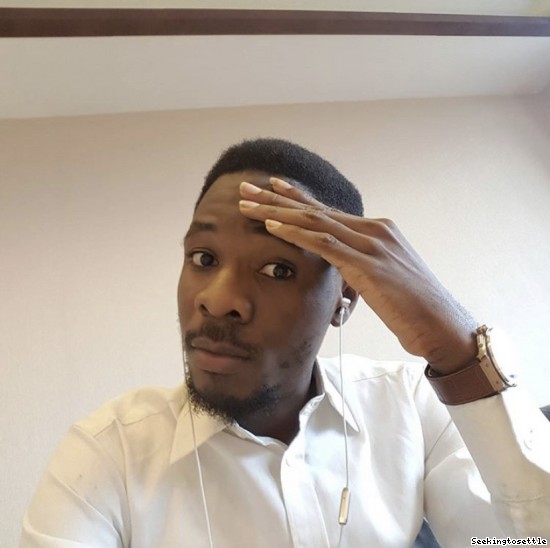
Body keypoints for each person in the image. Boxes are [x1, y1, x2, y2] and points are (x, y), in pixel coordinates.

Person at [21, 139, 550, 547]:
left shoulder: (409, 406)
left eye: (278, 268)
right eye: (203, 258)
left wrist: (459, 351)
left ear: (345, 297)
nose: (218, 300)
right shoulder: (109, 452)